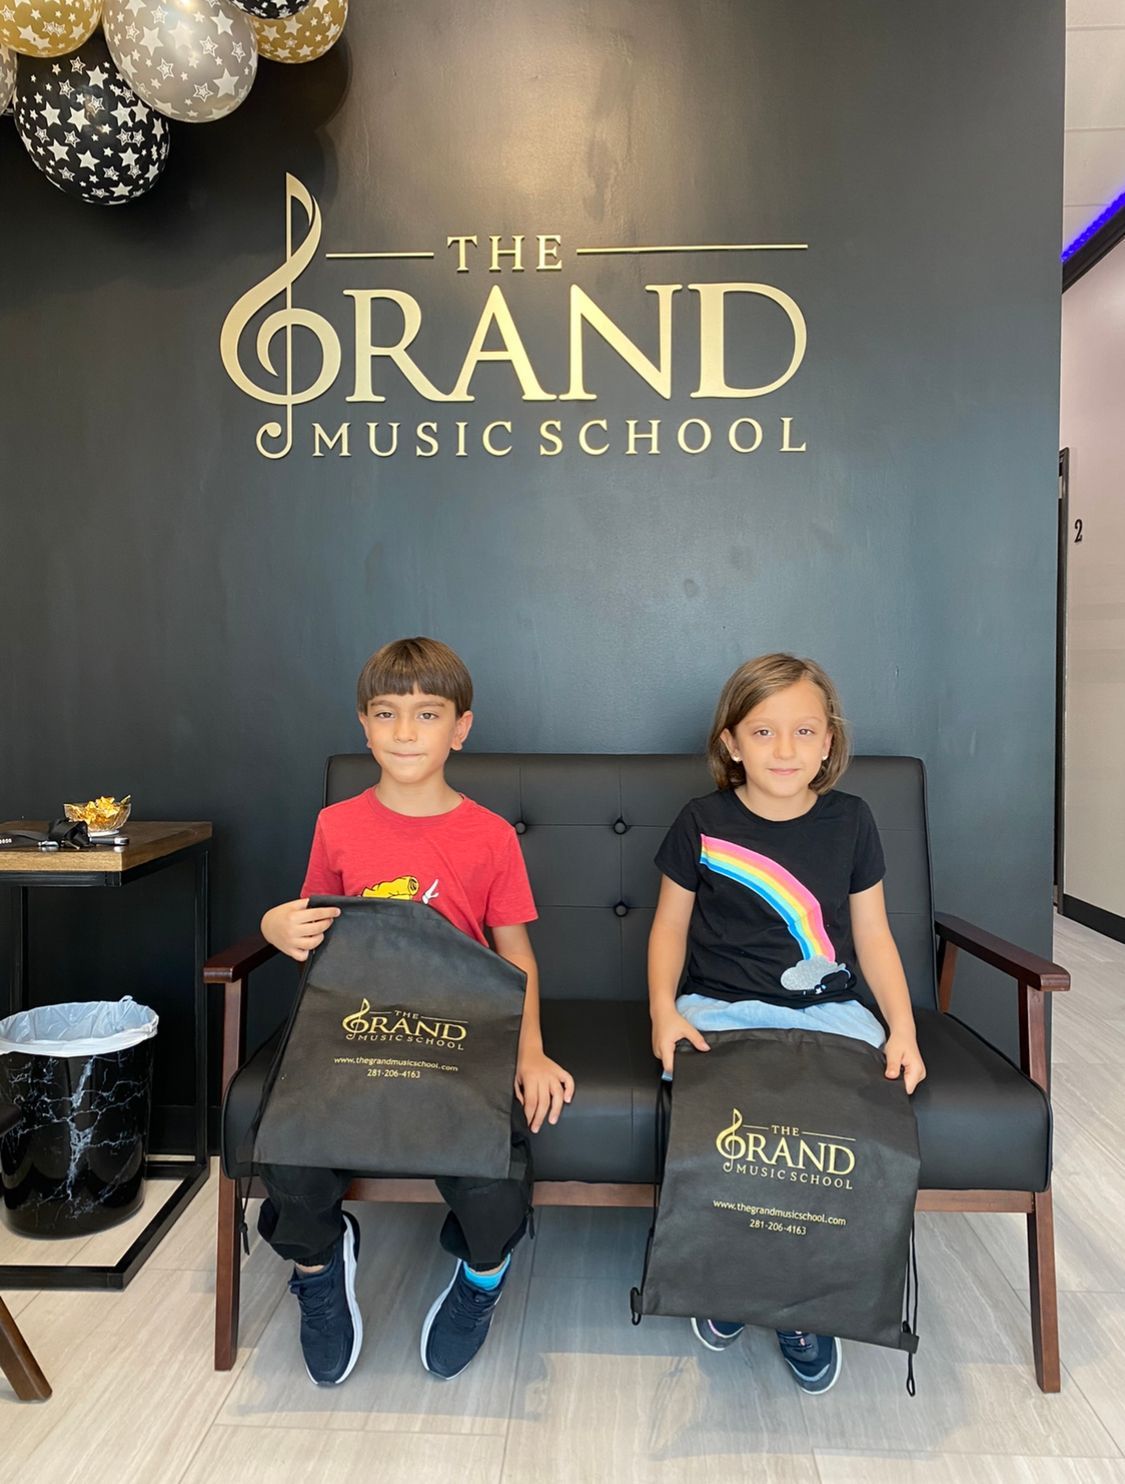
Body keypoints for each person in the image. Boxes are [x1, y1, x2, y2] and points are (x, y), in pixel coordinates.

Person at [258, 636, 574, 1387]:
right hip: (355, 1030)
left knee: (495, 1186)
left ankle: (480, 1281)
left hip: (458, 1036)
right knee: (290, 1164)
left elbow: (515, 952)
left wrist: (529, 1051)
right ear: (364, 726)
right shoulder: (337, 824)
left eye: (426, 714)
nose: (405, 732)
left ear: (459, 728)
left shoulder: (491, 836)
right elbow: (315, 921)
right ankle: (319, 1270)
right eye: (387, 713)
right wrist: (277, 926)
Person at [647, 652, 926, 1395]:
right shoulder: (702, 821)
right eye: (763, 732)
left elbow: (871, 935)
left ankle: (804, 1309)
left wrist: (901, 1028)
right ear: (731, 743)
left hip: (829, 1011)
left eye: (803, 731)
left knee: (837, 1129)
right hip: (719, 1008)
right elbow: (669, 929)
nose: (784, 749)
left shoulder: (850, 821)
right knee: (733, 1129)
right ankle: (730, 1287)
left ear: (828, 741)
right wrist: (662, 1011)